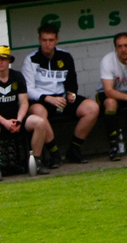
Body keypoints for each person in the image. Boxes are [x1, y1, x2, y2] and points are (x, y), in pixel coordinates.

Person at [23, 23, 100, 165]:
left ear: (57, 40)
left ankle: (74, 149)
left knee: (92, 107)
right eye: (44, 40)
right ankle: (54, 153)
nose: (47, 44)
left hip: (62, 99)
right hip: (42, 100)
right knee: (38, 112)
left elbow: (72, 83)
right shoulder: (31, 59)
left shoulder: (65, 56)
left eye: (51, 40)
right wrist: (48, 99)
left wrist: (72, 95)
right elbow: (28, 89)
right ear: (39, 40)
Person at [0, 45, 53, 181]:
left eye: (4, 59)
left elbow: (24, 102)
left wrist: (18, 120)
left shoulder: (17, 76)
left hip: (16, 117)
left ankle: (37, 161)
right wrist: (5, 122)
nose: (1, 62)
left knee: (40, 122)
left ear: (9, 61)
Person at [96, 32, 127, 161]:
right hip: (109, 94)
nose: (123, 49)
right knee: (110, 102)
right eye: (119, 46)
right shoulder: (108, 60)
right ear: (115, 48)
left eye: (126, 45)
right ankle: (114, 146)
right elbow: (108, 91)